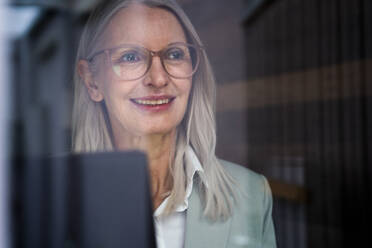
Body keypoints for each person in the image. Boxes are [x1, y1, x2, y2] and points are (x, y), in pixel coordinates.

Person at [72, 0, 277, 247]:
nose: (158, 78)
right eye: (130, 56)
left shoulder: (251, 194)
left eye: (174, 54)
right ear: (92, 82)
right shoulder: (51, 200)